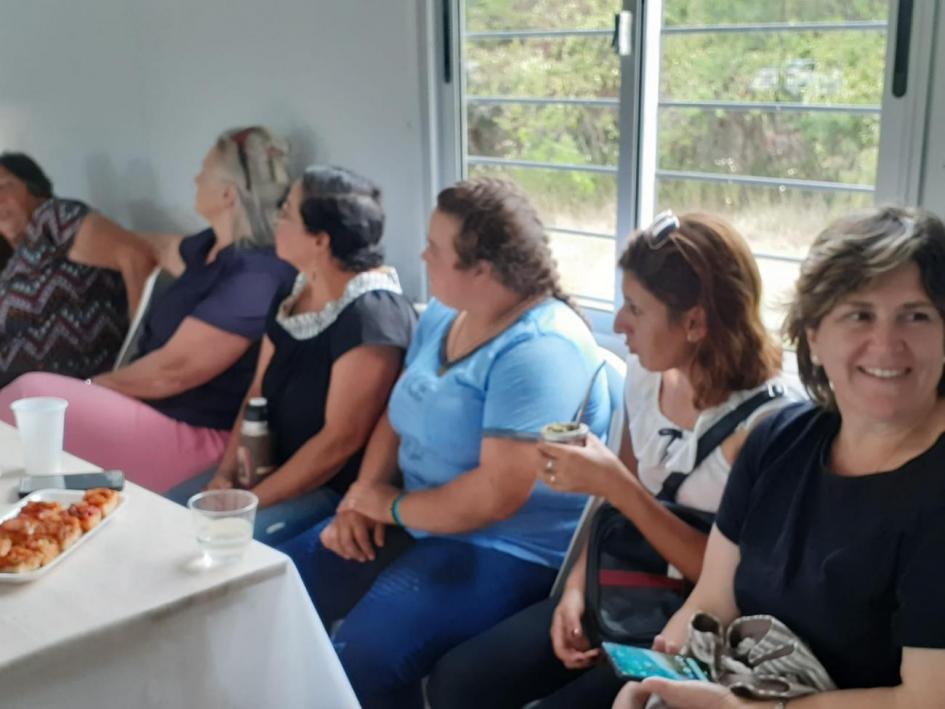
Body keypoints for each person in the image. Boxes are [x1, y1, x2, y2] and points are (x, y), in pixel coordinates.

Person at [427, 211, 789, 709]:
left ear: (695, 323)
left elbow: (730, 582)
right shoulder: (647, 375)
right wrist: (576, 591)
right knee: (459, 680)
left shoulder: (765, 427)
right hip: (623, 585)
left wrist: (618, 485)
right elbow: (610, 511)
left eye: (636, 310)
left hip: (699, 628)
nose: (619, 324)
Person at [279, 177, 611, 709]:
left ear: (481, 270)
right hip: (417, 515)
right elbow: (398, 413)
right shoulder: (445, 313)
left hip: (504, 546)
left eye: (435, 248)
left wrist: (388, 505)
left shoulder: (542, 347)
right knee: (280, 583)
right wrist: (361, 499)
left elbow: (494, 496)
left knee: (360, 653)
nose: (422, 255)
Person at [613, 206, 945, 709]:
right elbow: (713, 601)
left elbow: (925, 699)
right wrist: (657, 680)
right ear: (814, 335)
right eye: (859, 314)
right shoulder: (776, 442)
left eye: (915, 315)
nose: (886, 344)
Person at [0, 127, 296, 491]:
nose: (194, 177)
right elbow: (152, 247)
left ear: (227, 194)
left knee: (31, 395)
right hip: (153, 410)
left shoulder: (258, 274)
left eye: (203, 170)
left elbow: (173, 372)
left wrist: (91, 387)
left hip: (193, 432)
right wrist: (73, 248)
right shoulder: (208, 250)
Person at [166, 166, 416, 545]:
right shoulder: (293, 288)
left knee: (209, 541)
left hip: (327, 489)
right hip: (267, 471)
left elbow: (338, 443)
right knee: (161, 515)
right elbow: (256, 392)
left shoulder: (372, 314)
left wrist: (247, 503)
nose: (275, 221)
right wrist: (226, 474)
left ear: (320, 240)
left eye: (286, 214)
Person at [0, 152, 156, 385]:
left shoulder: (53, 217)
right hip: (21, 400)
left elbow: (136, 256)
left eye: (4, 186)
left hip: (70, 393)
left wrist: (135, 359)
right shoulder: (13, 263)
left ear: (34, 187)